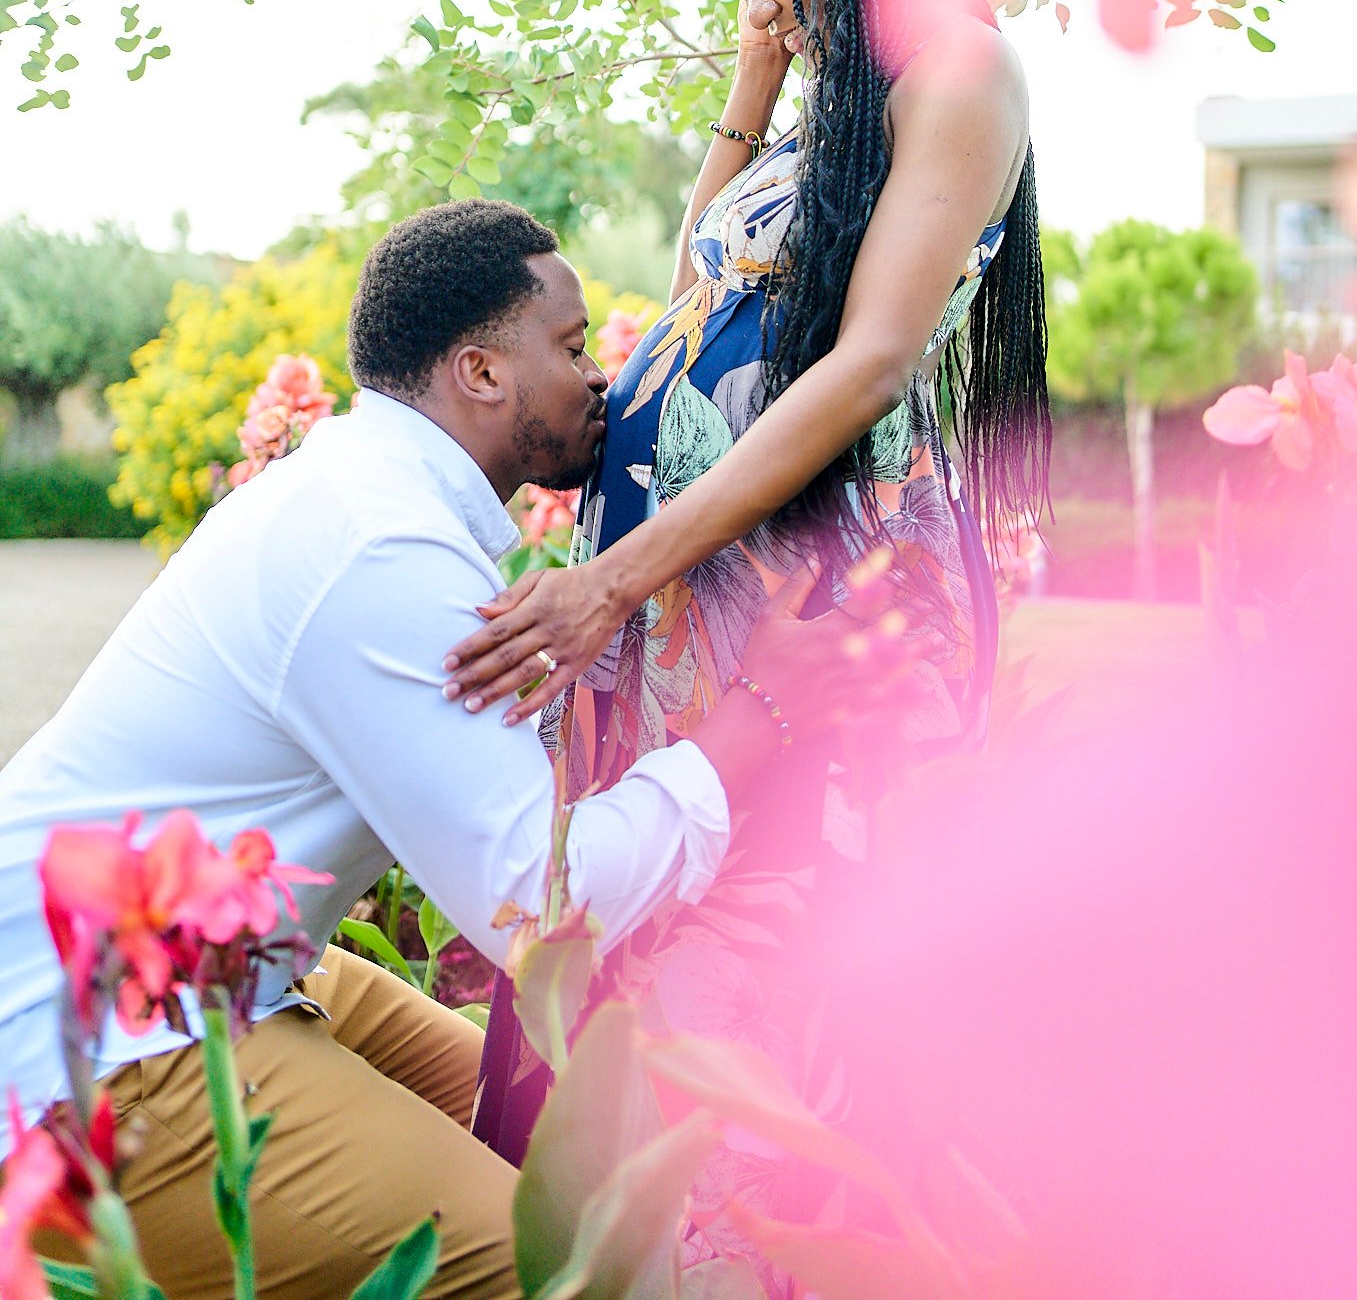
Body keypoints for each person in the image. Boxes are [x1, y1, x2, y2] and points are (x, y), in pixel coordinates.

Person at [0, 200, 895, 1300]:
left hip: (235, 969)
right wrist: (759, 713)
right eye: (571, 349)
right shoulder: (379, 547)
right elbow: (541, 905)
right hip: (96, 1044)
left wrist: (749, 91)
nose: (596, 379)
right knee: (572, 1262)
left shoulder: (371, 498)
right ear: (479, 372)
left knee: (564, 1133)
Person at [454, 0, 1052, 1217]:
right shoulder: (821, 117)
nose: (770, 11)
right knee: (677, 907)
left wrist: (612, 577)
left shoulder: (954, 74)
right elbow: (696, 285)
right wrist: (752, 69)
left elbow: (868, 365)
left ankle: (764, 1241)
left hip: (811, 582)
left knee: (780, 944)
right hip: (701, 582)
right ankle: (641, 1222)